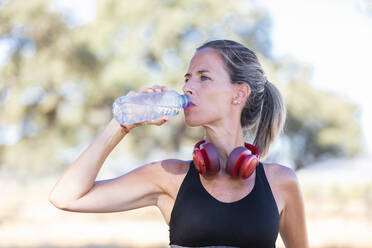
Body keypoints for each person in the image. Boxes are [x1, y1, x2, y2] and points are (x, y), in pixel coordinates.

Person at [49, 39, 309, 248]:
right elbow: (66, 197)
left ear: (238, 93)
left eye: (203, 77)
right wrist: (120, 125)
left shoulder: (280, 182)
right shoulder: (167, 176)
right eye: (187, 78)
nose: (188, 88)